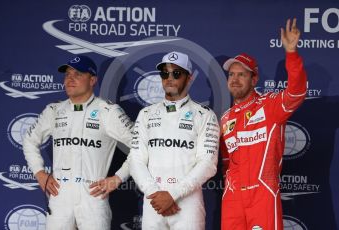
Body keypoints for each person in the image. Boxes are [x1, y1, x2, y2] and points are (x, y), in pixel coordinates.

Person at [23, 55, 133, 230]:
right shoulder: (54, 110)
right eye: (67, 74)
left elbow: (139, 145)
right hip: (60, 195)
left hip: (93, 195)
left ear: (93, 80)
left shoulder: (108, 111)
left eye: (78, 74)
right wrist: (39, 173)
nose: (70, 79)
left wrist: (119, 177)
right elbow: (29, 141)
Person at [220, 18, 307, 229]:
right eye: (231, 74)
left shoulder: (269, 105)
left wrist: (291, 54)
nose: (235, 79)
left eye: (242, 75)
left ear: (255, 79)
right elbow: (226, 162)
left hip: (263, 192)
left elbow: (297, 92)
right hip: (232, 197)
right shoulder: (224, 118)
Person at [128, 51, 220, 229]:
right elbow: (136, 160)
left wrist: (172, 194)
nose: (169, 78)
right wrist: (155, 193)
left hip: (188, 204)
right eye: (165, 73)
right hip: (153, 202)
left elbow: (208, 163)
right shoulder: (146, 114)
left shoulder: (204, 115)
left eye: (176, 73)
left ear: (189, 78)